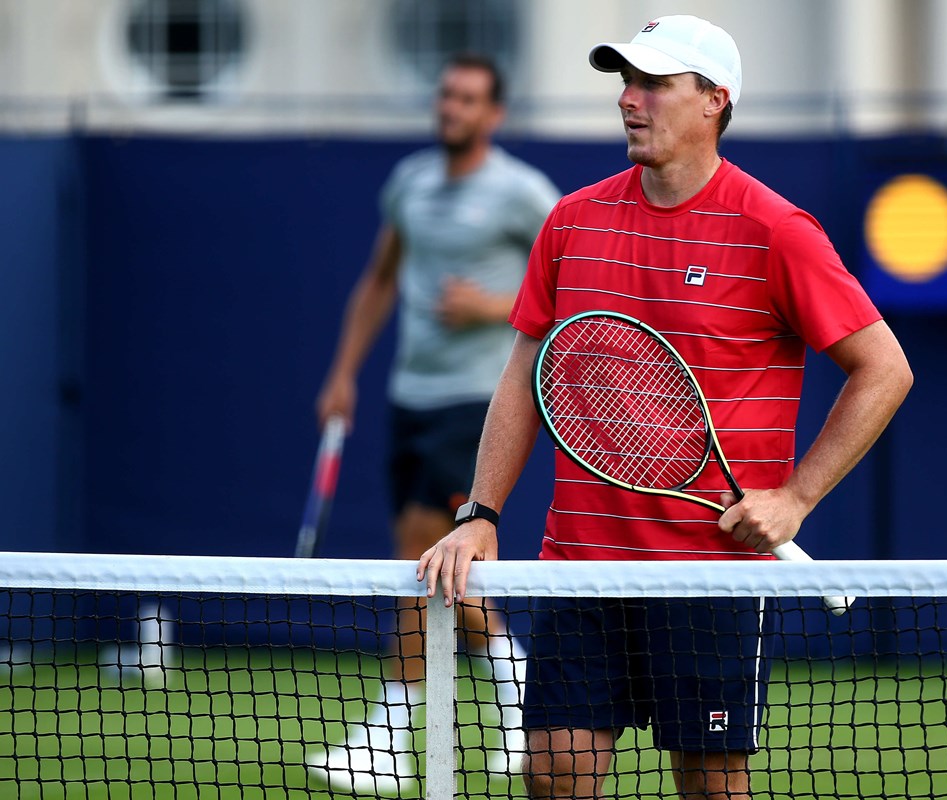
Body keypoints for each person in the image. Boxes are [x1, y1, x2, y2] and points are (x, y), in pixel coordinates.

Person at [417, 14, 913, 800]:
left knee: (711, 788)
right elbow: (524, 375)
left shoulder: (776, 229)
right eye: (625, 82)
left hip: (710, 577)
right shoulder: (572, 221)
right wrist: (481, 511)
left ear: (715, 100)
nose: (630, 100)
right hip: (578, 568)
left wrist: (796, 496)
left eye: (653, 83)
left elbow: (884, 368)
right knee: (554, 772)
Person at [307, 52, 560, 795]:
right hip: (408, 398)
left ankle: (390, 739)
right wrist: (343, 372)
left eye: (468, 99)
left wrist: (492, 306)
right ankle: (523, 693)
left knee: (421, 551)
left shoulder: (520, 192)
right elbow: (380, 278)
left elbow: (572, 274)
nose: (451, 107)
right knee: (437, 570)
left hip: (478, 404)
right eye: (446, 95)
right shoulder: (410, 183)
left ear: (494, 114)